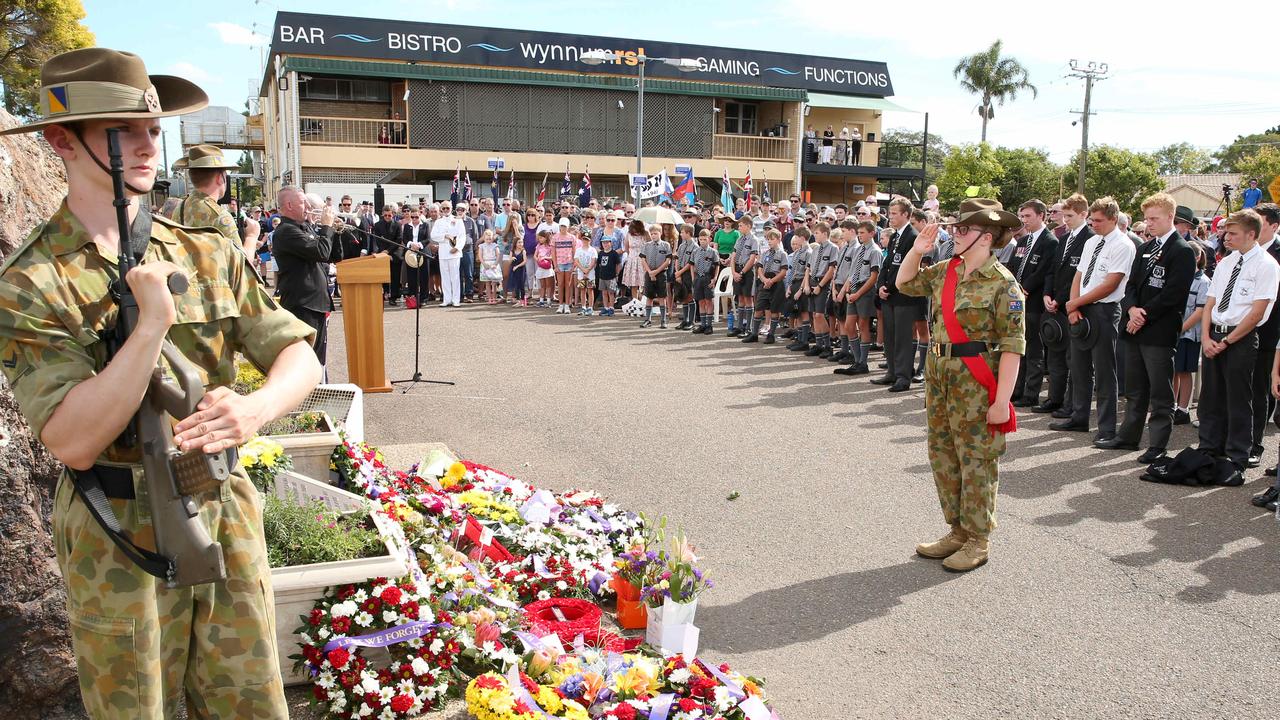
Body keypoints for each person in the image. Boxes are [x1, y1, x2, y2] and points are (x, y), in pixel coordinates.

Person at [0, 47, 320, 718]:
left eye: (152, 128)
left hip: (220, 506)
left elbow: (299, 356)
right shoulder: (31, 283)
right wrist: (149, 329)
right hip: (118, 530)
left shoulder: (202, 247)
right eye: (123, 130)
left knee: (251, 703)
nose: (148, 143)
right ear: (62, 139)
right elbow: (72, 441)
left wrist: (254, 410)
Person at [897, 198, 1026, 572]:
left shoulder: (1005, 285)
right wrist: (916, 250)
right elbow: (904, 284)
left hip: (976, 381)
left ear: (985, 237)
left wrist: (1002, 401)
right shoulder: (945, 270)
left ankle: (978, 539)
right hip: (940, 376)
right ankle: (956, 530)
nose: (955, 234)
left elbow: (1013, 349)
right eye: (956, 228)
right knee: (942, 454)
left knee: (977, 461)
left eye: (963, 229)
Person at [1097, 193, 1195, 462]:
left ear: (1170, 217)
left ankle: (1158, 444)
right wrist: (1131, 309)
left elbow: (1174, 293)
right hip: (1134, 328)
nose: (1149, 224)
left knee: (1160, 393)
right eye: (1147, 219)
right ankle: (1128, 436)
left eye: (1154, 218)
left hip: (1159, 332)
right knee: (1135, 388)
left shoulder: (1182, 251)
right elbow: (1130, 285)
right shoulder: (1144, 248)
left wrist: (1144, 314)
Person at [1196, 210, 1279, 485]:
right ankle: (1209, 448)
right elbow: (1210, 303)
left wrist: (1228, 341)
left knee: (1239, 399)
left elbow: (1256, 313)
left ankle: (1237, 456)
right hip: (1215, 334)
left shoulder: (1267, 265)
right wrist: (1207, 338)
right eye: (1226, 233)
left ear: (1251, 234)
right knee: (1210, 397)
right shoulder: (1226, 263)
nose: (1226, 237)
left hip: (1240, 338)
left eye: (1233, 233)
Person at [1051, 197, 1135, 440]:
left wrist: (1075, 303)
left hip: (1105, 311)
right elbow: (1079, 274)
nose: (1093, 224)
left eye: (1098, 221)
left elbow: (1111, 284)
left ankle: (1107, 427)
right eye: (1091, 220)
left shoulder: (1123, 245)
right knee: (1079, 367)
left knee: (1105, 372)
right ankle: (1079, 417)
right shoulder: (1091, 242)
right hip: (1081, 309)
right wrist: (1074, 306)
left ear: (1112, 219)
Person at [1038, 194, 1094, 416]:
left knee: (1074, 360)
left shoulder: (1089, 239)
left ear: (1083, 214)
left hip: (1073, 305)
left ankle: (1071, 405)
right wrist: (1046, 295)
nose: (1065, 219)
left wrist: (1060, 299)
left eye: (1070, 215)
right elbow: (1052, 271)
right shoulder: (1063, 239)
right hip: (1054, 305)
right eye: (1064, 215)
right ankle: (1055, 398)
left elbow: (1076, 277)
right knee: (1055, 355)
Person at [273, 189, 336, 365]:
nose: (308, 207)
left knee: (317, 359)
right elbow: (321, 251)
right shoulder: (286, 231)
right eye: (303, 203)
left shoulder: (304, 227)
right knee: (306, 361)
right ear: (289, 205)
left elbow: (330, 254)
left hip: (315, 302)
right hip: (303, 303)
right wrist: (327, 227)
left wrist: (332, 231)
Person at [1008, 200, 1059, 407]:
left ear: (1041, 216)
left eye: (1028, 216)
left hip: (1034, 303)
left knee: (1034, 349)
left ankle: (1031, 393)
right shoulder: (1021, 242)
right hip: (1016, 302)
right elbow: (1012, 267)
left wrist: (1024, 289)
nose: (1024, 220)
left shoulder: (1050, 242)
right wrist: (1012, 289)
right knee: (1017, 348)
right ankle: (1016, 389)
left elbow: (1044, 271)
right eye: (1022, 216)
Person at [167, 144, 257, 258]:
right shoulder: (219, 217)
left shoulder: (180, 208)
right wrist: (252, 237)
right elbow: (242, 265)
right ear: (220, 178)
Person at [873, 198, 922, 391]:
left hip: (904, 295)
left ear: (906, 215)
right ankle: (892, 372)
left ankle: (903, 376)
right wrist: (880, 286)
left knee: (902, 337)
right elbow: (887, 264)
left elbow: (907, 268)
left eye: (894, 213)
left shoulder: (912, 236)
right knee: (890, 335)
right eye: (890, 213)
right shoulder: (894, 237)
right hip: (889, 295)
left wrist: (890, 288)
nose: (890, 217)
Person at [835, 219, 883, 376]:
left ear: (872, 233)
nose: (860, 235)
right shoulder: (858, 249)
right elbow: (852, 271)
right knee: (849, 326)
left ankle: (863, 362)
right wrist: (848, 290)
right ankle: (857, 361)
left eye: (863, 233)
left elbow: (873, 276)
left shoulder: (875, 251)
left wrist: (858, 293)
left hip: (865, 291)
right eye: (859, 232)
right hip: (854, 289)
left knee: (863, 325)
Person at [1173, 243, 1208, 426]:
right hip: (1174, 331)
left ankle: (1183, 409)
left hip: (1189, 334)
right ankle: (1172, 406)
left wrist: (1181, 329)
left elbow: (1200, 311)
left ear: (1196, 258)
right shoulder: (1179, 276)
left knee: (1185, 372)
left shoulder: (1202, 281)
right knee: (1173, 371)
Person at [743, 228, 788, 343]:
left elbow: (783, 272)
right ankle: (754, 333)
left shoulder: (782, 254)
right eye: (768, 239)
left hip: (776, 283)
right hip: (764, 283)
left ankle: (771, 334)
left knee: (774, 310)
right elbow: (759, 268)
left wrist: (771, 281)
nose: (769, 242)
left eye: (772, 239)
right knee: (759, 308)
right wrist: (763, 280)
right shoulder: (765, 253)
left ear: (778, 239)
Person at [801, 221, 839, 358]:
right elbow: (808, 268)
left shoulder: (833, 248)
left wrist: (820, 286)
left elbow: (831, 270)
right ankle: (818, 344)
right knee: (814, 315)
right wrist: (806, 284)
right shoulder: (815, 249)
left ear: (825, 233)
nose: (814, 235)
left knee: (820, 314)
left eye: (816, 233)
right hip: (812, 281)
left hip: (822, 283)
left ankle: (828, 345)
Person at [728, 216, 759, 337]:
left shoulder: (753, 240)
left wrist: (741, 273)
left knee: (748, 298)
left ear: (748, 226)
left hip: (747, 271)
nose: (739, 228)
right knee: (740, 298)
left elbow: (752, 259)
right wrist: (734, 272)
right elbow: (733, 256)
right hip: (737, 269)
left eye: (741, 225)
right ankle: (740, 326)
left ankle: (748, 328)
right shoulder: (739, 239)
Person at [434, 202, 468, 307]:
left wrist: (457, 248)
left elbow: (462, 236)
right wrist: (445, 236)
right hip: (443, 253)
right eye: (443, 208)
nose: (445, 210)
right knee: (445, 277)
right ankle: (447, 299)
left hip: (454, 253)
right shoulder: (438, 222)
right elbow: (433, 235)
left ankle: (456, 299)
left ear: (451, 208)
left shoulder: (458, 220)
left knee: (455, 277)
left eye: (447, 208)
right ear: (441, 209)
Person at [639, 224, 673, 328]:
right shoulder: (646, 245)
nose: (653, 236)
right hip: (649, 273)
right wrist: (650, 272)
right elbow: (643, 260)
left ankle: (663, 320)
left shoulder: (666, 245)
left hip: (661, 273)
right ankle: (648, 320)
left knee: (662, 297)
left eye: (656, 233)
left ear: (660, 233)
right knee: (649, 296)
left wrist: (656, 271)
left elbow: (668, 261)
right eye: (652, 234)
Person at [372, 205, 404, 305]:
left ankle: (393, 296)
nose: (387, 217)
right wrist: (384, 252)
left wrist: (389, 252)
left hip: (394, 252)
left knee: (395, 276)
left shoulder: (398, 225)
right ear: (382, 214)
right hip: (382, 252)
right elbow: (377, 239)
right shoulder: (377, 225)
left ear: (393, 215)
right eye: (385, 215)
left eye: (389, 215)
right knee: (383, 275)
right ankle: (385, 292)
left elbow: (398, 239)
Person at [690, 230, 720, 334]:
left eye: (704, 239)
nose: (702, 241)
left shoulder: (713, 252)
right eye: (700, 239)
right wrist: (693, 277)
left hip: (708, 277)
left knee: (708, 301)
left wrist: (715, 278)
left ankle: (709, 325)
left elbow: (717, 265)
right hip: (698, 277)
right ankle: (702, 324)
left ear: (709, 239)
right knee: (701, 301)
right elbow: (692, 265)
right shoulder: (695, 251)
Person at [400, 208, 429, 304]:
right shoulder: (407, 226)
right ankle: (413, 297)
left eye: (416, 217)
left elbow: (427, 239)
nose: (414, 219)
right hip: (410, 254)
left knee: (424, 276)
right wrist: (411, 244)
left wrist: (419, 245)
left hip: (422, 252)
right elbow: (404, 239)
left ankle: (424, 298)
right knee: (412, 277)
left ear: (420, 215)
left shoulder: (425, 225)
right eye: (412, 217)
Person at [674, 223, 698, 329]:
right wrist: (677, 272)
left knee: (689, 296)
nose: (680, 234)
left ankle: (691, 321)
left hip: (688, 273)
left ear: (688, 233)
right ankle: (685, 320)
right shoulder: (682, 245)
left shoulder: (695, 246)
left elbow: (690, 263)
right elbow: (677, 258)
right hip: (680, 273)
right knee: (683, 296)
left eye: (682, 232)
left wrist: (680, 272)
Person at [623, 218, 647, 304]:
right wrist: (631, 255)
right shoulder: (629, 234)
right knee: (634, 283)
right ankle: (635, 302)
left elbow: (649, 245)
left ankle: (643, 301)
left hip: (643, 260)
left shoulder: (645, 234)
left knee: (643, 281)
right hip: (632, 260)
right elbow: (626, 247)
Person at [573, 233, 598, 316]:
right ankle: (583, 307)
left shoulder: (592, 250)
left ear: (590, 240)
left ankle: (590, 307)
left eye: (587, 239)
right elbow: (576, 261)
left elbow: (593, 261)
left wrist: (587, 270)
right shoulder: (578, 250)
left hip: (590, 273)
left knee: (590, 290)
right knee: (582, 290)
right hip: (581, 273)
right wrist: (583, 270)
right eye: (584, 239)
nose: (585, 241)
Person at [596, 237, 620, 316]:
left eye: (607, 242)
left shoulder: (614, 253)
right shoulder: (601, 253)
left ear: (611, 243)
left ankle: (611, 308)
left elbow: (618, 264)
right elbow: (599, 264)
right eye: (603, 243)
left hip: (611, 276)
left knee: (611, 293)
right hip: (602, 276)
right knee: (604, 292)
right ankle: (605, 307)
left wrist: (616, 274)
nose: (605, 244)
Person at [478, 229, 503, 304]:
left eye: (490, 239)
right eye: (487, 239)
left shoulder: (495, 245)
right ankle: (489, 298)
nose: (488, 240)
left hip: (493, 264)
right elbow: (480, 256)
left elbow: (498, 255)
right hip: (485, 264)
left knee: (494, 283)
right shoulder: (481, 246)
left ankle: (494, 298)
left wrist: (495, 264)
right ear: (484, 238)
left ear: (492, 238)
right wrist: (484, 264)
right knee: (487, 283)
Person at [508, 234, 529, 307]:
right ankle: (518, 300)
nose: (521, 244)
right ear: (515, 243)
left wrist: (517, 266)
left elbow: (525, 261)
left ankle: (523, 300)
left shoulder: (523, 251)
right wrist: (511, 259)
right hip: (514, 270)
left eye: (522, 242)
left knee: (521, 285)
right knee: (516, 286)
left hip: (521, 270)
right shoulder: (512, 251)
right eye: (519, 242)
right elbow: (509, 261)